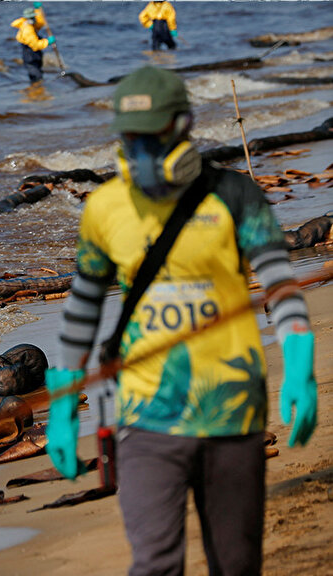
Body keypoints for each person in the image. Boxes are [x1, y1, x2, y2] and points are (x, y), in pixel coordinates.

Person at [44, 67, 316, 575]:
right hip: (145, 417)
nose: (142, 148)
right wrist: (63, 406)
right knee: (154, 563)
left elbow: (279, 281)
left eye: (154, 134)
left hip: (233, 413)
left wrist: (299, 357)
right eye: (130, 137)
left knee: (235, 565)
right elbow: (82, 307)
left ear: (184, 125)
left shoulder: (236, 197)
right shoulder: (104, 209)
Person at [11, 3, 55, 83]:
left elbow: (40, 22)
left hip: (35, 55)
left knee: (39, 70)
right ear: (26, 18)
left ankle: (37, 89)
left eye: (33, 17)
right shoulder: (27, 29)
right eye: (31, 17)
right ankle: (35, 91)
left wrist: (38, 10)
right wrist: (48, 42)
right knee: (36, 76)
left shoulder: (32, 24)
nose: (33, 19)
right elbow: (35, 45)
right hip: (30, 55)